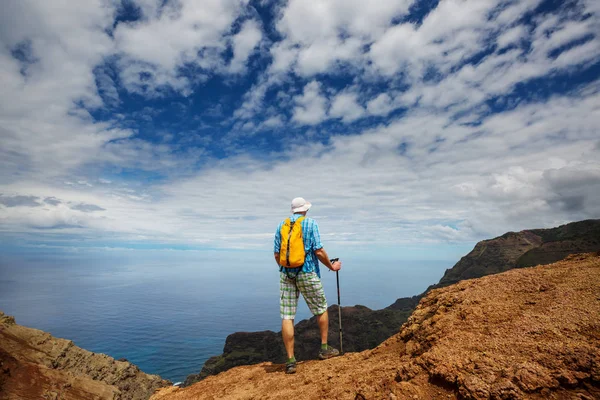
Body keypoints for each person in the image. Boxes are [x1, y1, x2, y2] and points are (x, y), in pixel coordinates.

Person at [273, 197, 342, 374]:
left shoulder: (282, 225)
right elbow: (318, 251)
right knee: (321, 308)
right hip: (307, 271)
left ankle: (290, 361)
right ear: (305, 209)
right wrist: (331, 266)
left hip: (286, 274)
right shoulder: (311, 224)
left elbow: (276, 253)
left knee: (287, 316)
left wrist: (286, 269)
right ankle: (324, 349)